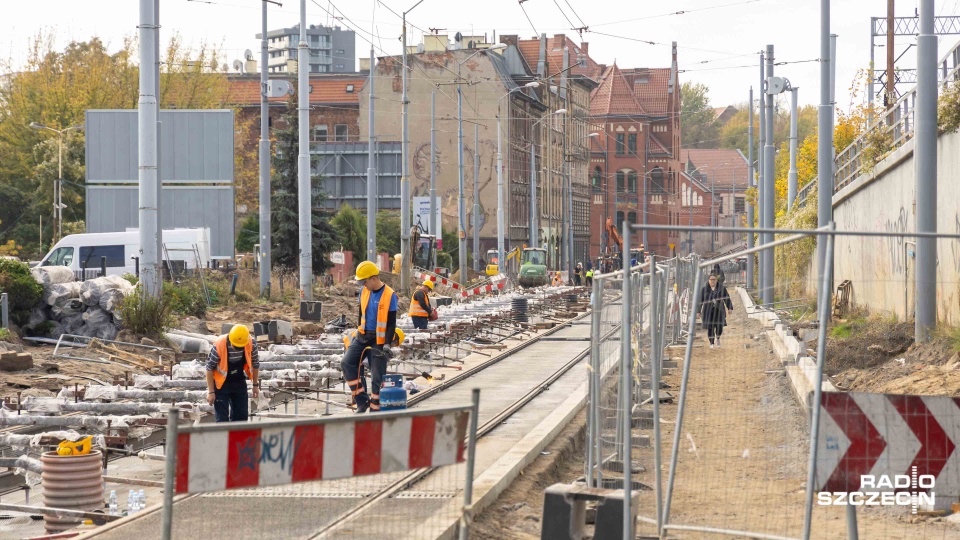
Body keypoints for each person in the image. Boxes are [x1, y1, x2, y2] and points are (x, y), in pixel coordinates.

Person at [341, 261, 399, 413]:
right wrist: (357, 333)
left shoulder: (390, 295)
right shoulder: (364, 291)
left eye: (365, 281)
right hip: (362, 336)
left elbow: (391, 323)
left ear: (374, 278)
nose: (363, 284)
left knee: (377, 377)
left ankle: (375, 410)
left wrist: (387, 344)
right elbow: (361, 314)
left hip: (378, 340)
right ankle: (362, 400)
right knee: (347, 363)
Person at [205, 325, 260, 422]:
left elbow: (255, 364)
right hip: (221, 385)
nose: (238, 349)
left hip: (238, 382)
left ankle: (238, 437)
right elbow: (209, 368)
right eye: (236, 346)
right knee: (222, 420)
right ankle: (223, 437)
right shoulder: (219, 345)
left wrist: (255, 385)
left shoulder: (251, 343)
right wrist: (211, 392)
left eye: (240, 347)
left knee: (241, 418)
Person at [343, 328, 405, 412]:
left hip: (358, 344)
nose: (394, 345)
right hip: (352, 345)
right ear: (395, 338)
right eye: (395, 343)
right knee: (359, 376)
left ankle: (362, 402)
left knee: (358, 376)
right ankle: (365, 403)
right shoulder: (390, 336)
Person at [698, 273, 733, 348]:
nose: (713, 281)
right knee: (710, 328)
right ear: (709, 280)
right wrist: (698, 311)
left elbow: (727, 298)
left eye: (714, 280)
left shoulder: (721, 289)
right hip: (708, 311)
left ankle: (718, 337)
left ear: (716, 280)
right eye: (711, 280)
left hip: (719, 311)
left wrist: (729, 307)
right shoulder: (704, 290)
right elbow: (700, 301)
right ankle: (711, 343)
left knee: (719, 326)